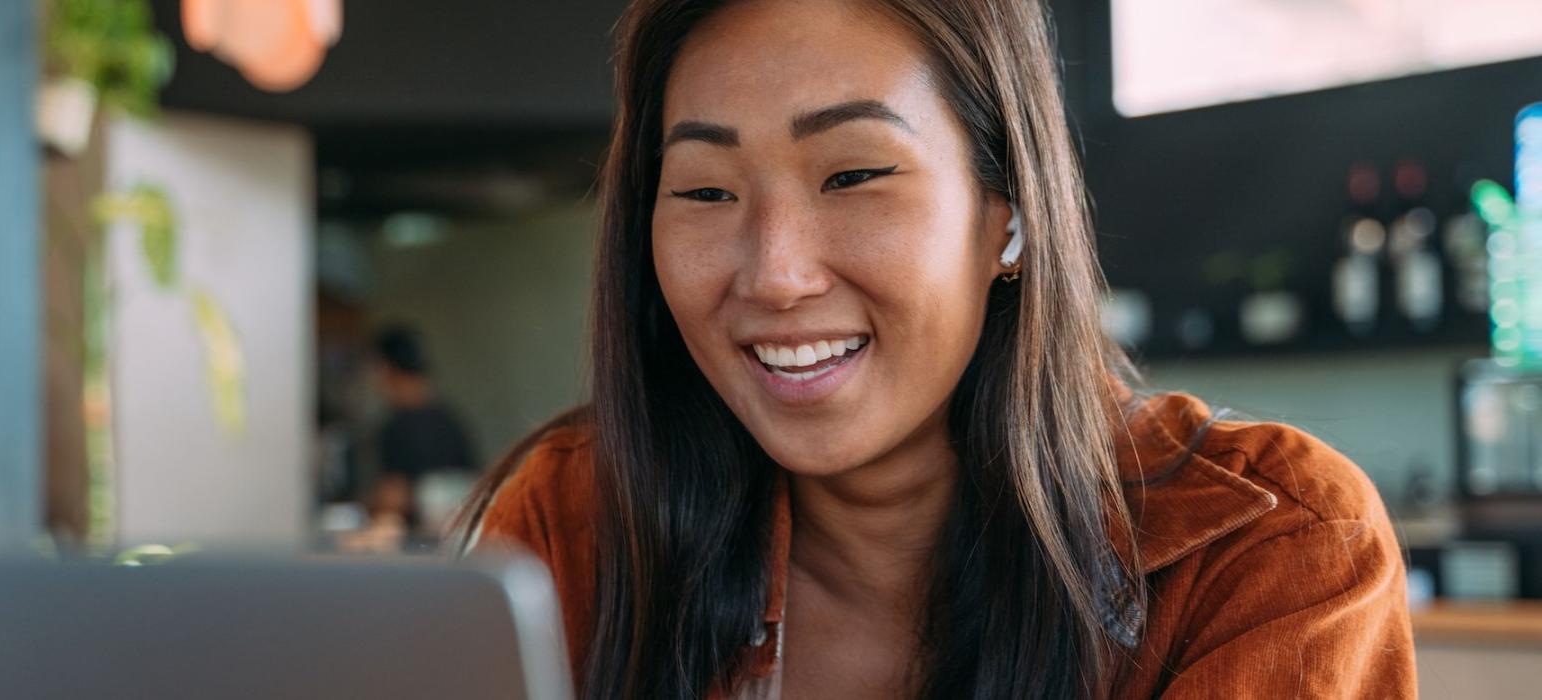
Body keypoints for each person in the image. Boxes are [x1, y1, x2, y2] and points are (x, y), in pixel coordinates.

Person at [458, 1, 1416, 698]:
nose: (775, 275)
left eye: (855, 174)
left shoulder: (1268, 551)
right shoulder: (572, 522)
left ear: (1008, 213)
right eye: (706, 191)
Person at [365, 325, 478, 539]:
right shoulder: (452, 421)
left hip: (417, 548)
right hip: (457, 546)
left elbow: (394, 498)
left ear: (385, 369)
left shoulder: (397, 426)